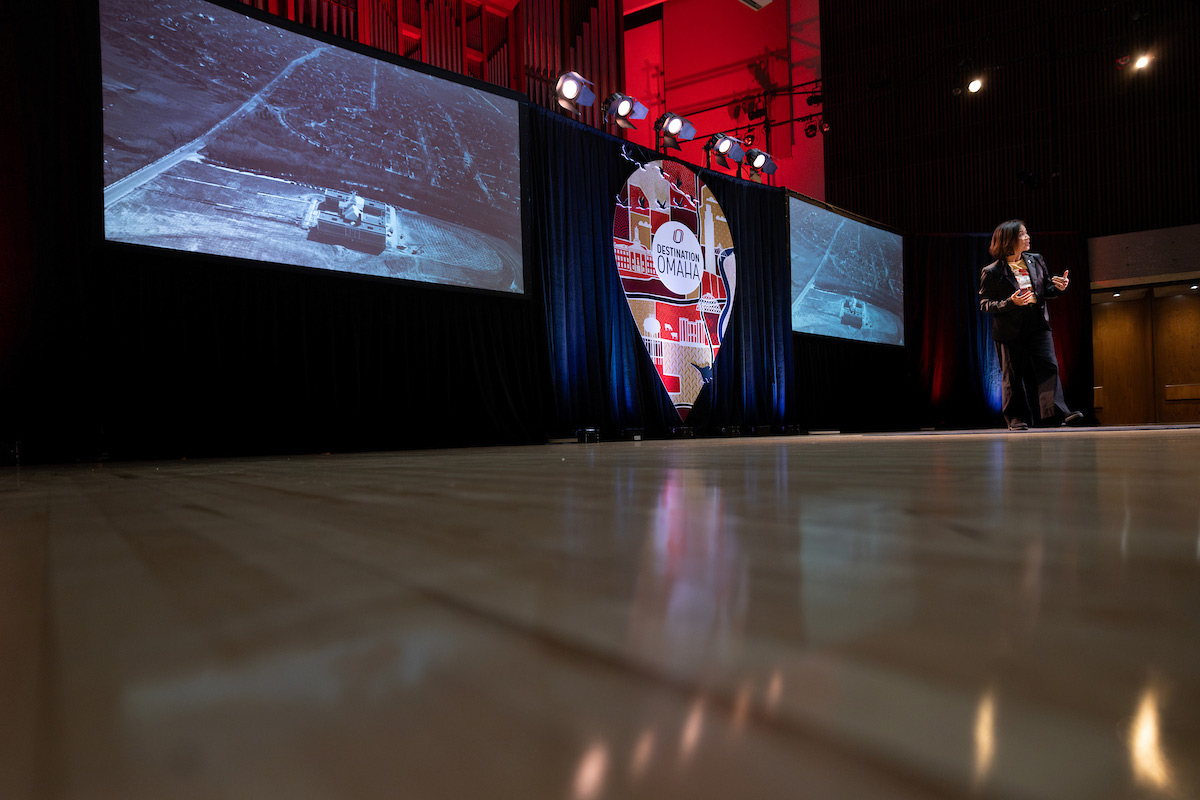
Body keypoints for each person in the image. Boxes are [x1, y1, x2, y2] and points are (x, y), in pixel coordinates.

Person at [978, 220, 1084, 430]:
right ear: (1009, 240)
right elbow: (984, 304)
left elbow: (1045, 290)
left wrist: (1059, 287)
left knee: (1049, 367)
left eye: (1027, 234)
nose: (1028, 237)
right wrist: (1010, 302)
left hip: (1037, 323)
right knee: (1013, 374)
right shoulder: (992, 271)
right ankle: (1016, 418)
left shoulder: (1035, 260)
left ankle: (1057, 414)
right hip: (1009, 329)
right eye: (1022, 235)